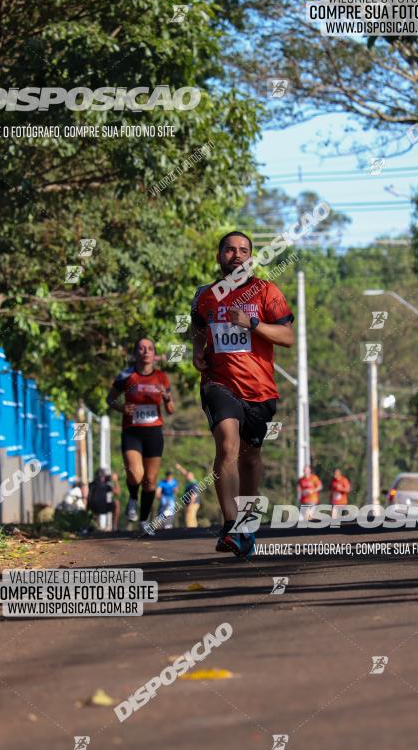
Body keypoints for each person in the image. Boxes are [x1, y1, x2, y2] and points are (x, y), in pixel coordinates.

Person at [190, 230, 294, 557]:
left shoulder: (267, 291)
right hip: (218, 383)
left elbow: (287, 336)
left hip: (259, 390)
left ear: (251, 257)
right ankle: (231, 525)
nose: (237, 255)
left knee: (250, 458)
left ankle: (247, 525)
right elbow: (197, 328)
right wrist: (197, 351)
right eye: (230, 250)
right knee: (227, 444)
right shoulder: (204, 295)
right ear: (220, 256)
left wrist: (252, 323)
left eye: (243, 250)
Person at [106, 338, 175, 535]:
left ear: (154, 354)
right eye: (141, 348)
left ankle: (144, 521)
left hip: (154, 432)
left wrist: (167, 398)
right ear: (136, 353)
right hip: (132, 431)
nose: (146, 352)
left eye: (150, 349)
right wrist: (122, 407)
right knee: (136, 474)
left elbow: (170, 410)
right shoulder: (127, 375)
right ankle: (133, 498)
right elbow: (110, 398)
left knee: (150, 481)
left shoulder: (161, 377)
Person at [175, 462, 201, 528]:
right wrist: (179, 468)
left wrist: (190, 504)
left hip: (192, 503)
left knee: (189, 517)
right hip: (190, 503)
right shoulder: (189, 482)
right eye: (187, 475)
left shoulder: (193, 483)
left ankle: (191, 531)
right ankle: (194, 530)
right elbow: (185, 473)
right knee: (192, 517)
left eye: (189, 476)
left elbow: (193, 495)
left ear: (192, 476)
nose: (187, 476)